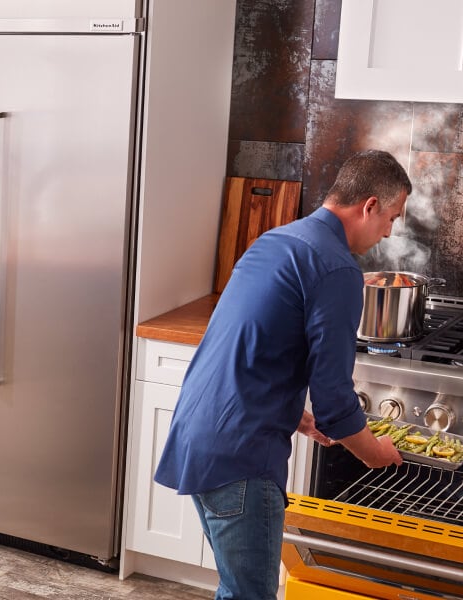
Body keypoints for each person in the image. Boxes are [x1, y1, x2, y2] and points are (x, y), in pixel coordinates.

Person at [153, 149, 410, 600]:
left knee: (237, 591)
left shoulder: (279, 240)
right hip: (242, 456)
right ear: (369, 206)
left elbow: (248, 342)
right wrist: (372, 452)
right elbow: (333, 399)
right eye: (391, 217)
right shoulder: (337, 268)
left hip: (201, 434)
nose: (388, 232)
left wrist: (294, 413)